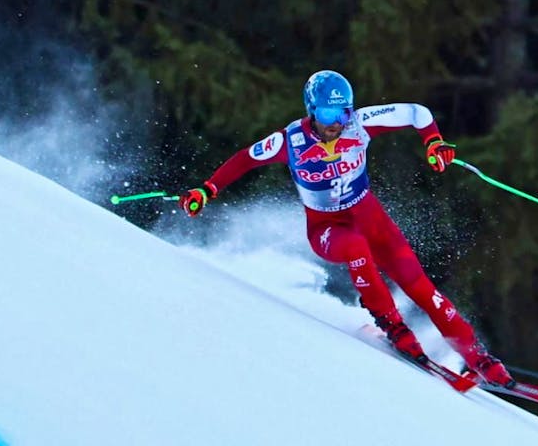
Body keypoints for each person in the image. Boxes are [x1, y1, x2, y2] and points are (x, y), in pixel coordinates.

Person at [178, 70, 515, 388]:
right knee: (355, 247)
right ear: (312, 111)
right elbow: (244, 159)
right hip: (327, 229)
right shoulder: (290, 141)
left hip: (370, 217)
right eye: (327, 115)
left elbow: (417, 112)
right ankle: (391, 324)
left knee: (421, 287)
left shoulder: (360, 124)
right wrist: (207, 189)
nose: (336, 123)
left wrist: (433, 142)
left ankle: (477, 357)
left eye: (342, 113)